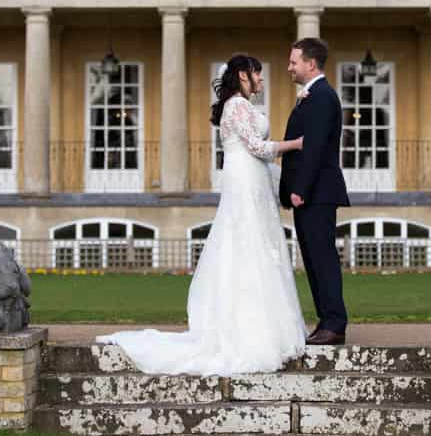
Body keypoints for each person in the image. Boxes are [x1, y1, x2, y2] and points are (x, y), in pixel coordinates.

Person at [96, 54, 307, 375]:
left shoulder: (239, 106)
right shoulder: (237, 105)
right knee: (250, 247)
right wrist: (296, 144)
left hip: (250, 177)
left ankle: (259, 325)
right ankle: (253, 332)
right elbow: (256, 147)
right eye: (257, 74)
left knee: (253, 247)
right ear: (242, 75)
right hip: (245, 179)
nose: (262, 80)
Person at [279, 38, 351, 345]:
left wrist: (300, 189)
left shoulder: (322, 96)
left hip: (317, 192)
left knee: (322, 258)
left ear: (310, 63)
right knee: (313, 258)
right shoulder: (313, 95)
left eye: (294, 62)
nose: (289, 67)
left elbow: (316, 146)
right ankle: (326, 321)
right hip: (313, 192)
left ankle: (334, 323)